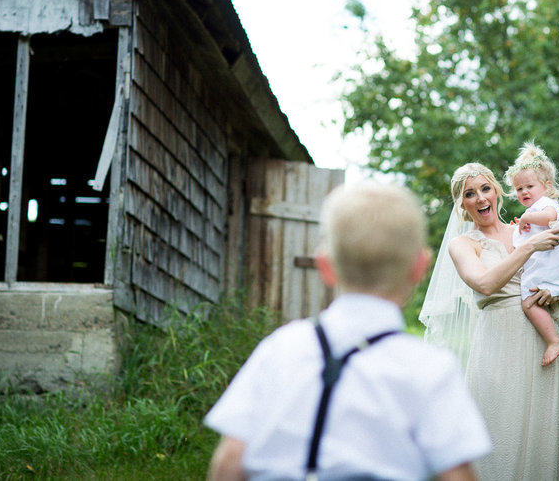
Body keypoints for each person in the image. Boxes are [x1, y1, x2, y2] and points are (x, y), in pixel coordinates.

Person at [205, 180, 492, 481]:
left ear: (325, 266)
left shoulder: (279, 347)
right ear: (419, 268)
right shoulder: (430, 368)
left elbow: (230, 460)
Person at [420, 162, 559, 481]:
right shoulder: (463, 244)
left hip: (544, 340)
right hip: (499, 344)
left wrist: (553, 290)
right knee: (499, 429)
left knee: (544, 431)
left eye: (485, 189)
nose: (480, 198)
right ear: (462, 205)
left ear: (496, 192)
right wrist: (531, 248)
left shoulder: (525, 228)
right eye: (470, 194)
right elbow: (484, 284)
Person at [504, 142, 559, 367]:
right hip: (549, 266)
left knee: (529, 301)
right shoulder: (534, 209)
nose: (524, 192)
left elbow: (549, 217)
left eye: (529, 186)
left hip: (547, 268)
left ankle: (553, 341)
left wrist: (527, 219)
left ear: (547, 186)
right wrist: (522, 226)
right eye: (519, 189)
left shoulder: (546, 204)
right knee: (557, 311)